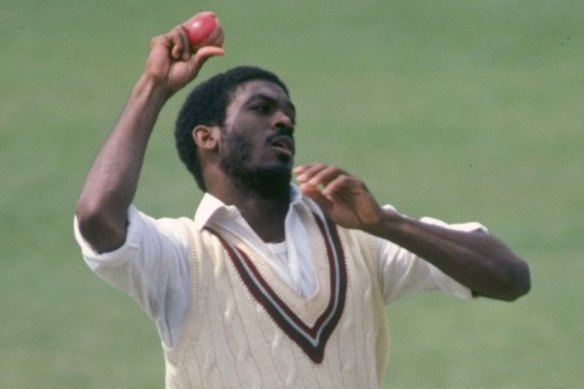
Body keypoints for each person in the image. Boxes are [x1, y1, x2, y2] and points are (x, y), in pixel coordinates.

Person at [74, 21, 530, 389]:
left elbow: (510, 278)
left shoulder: (359, 238)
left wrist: (388, 225)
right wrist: (154, 84)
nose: (284, 119)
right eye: (261, 108)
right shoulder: (178, 256)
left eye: (288, 112)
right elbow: (98, 216)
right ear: (207, 136)